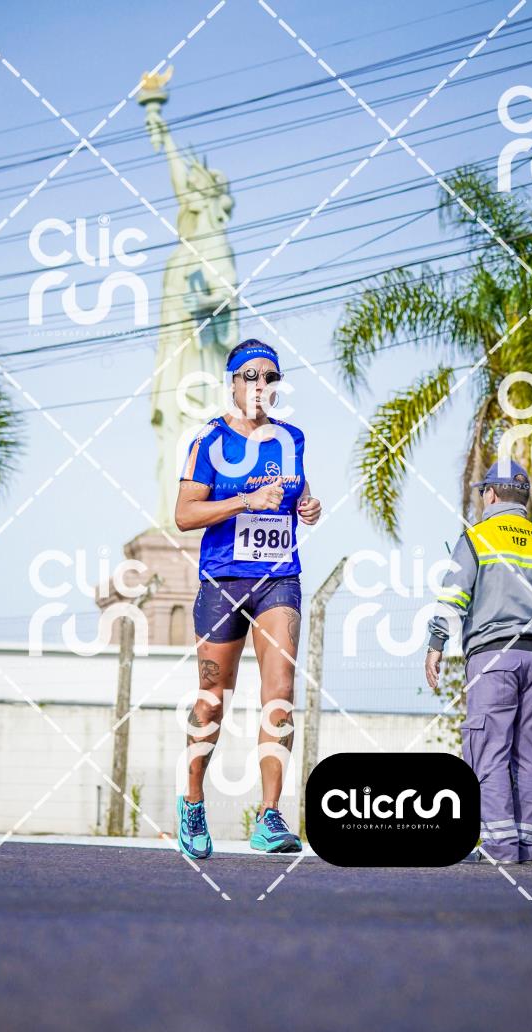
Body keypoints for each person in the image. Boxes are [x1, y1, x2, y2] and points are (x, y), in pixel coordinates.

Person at [174, 338, 321, 858]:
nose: (261, 386)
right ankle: (193, 802)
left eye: (270, 378)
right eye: (251, 377)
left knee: (279, 691)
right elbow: (184, 514)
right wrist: (244, 500)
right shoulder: (209, 440)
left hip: (279, 577)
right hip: (223, 581)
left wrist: (308, 505)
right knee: (213, 697)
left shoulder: (292, 438)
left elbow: (296, 491)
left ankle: (270, 816)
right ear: (233, 383)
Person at [425, 460, 532, 865]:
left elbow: (454, 596)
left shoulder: (478, 537)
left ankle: (500, 847)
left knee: (488, 748)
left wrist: (436, 644)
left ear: (491, 494)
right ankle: (528, 845)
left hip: (494, 658)